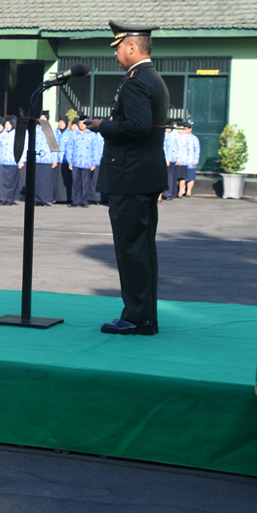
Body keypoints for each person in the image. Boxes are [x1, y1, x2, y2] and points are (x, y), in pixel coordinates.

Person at [87, 21, 169, 336]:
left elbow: (136, 126)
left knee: (131, 250)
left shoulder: (136, 81)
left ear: (132, 47)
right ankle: (144, 316)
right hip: (144, 174)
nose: (116, 54)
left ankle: (137, 317)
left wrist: (102, 126)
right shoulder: (153, 77)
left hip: (131, 176)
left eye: (119, 47)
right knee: (142, 249)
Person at [0, 116, 25, 206]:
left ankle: (10, 199)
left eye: (9, 124)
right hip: (3, 161)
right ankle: (3, 198)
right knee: (2, 181)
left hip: (13, 161)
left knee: (12, 181)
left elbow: (22, 148)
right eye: (6, 124)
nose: (7, 126)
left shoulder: (17, 134)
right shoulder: (2, 134)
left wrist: (21, 160)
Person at [34, 111, 57, 206]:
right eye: (41, 119)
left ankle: (45, 199)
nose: (42, 121)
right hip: (37, 159)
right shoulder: (36, 130)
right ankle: (36, 199)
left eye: (44, 119)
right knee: (37, 181)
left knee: (46, 181)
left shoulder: (51, 130)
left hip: (47, 159)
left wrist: (55, 160)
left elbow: (54, 146)